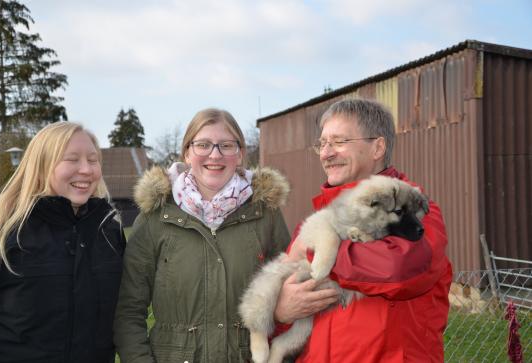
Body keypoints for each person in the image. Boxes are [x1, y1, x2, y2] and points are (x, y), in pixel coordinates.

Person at [274, 99, 452, 362]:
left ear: (377, 147)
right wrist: (281, 312)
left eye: (339, 142)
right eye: (322, 144)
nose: (326, 153)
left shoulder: (412, 207)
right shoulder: (316, 222)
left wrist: (317, 249)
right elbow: (287, 302)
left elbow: (399, 268)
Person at [113, 108, 291, 362]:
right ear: (187, 152)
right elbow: (128, 311)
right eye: (203, 145)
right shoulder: (156, 217)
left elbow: (290, 301)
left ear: (240, 154)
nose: (215, 155)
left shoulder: (266, 215)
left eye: (227, 145)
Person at [0, 122, 126, 363]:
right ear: (41, 165)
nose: (86, 170)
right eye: (71, 159)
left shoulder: (109, 232)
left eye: (93, 160)